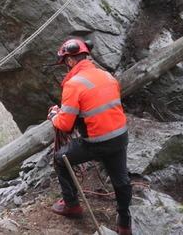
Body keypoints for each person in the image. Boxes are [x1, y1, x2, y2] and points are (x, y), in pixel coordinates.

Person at [47, 38, 132, 235]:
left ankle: (72, 205)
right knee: (120, 179)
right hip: (120, 136)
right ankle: (125, 222)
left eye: (65, 63)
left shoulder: (73, 84)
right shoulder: (107, 76)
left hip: (96, 142)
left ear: (70, 60)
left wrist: (53, 116)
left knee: (61, 158)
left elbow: (65, 125)